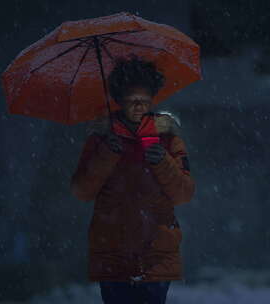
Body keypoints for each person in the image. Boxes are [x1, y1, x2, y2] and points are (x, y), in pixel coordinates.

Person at [70, 54, 195, 304]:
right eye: (132, 100)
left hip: (156, 252)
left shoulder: (167, 137)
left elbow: (184, 193)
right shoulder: (101, 138)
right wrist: (106, 154)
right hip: (112, 250)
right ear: (118, 101)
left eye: (144, 100)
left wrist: (162, 161)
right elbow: (82, 191)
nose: (139, 106)